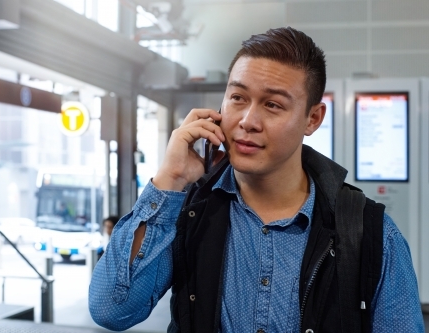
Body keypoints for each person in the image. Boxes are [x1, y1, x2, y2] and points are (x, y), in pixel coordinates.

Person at [89, 27, 424, 332]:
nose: (248, 121)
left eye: (273, 105)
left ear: (312, 118)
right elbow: (112, 309)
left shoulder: (370, 233)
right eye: (238, 97)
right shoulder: (190, 210)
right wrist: (169, 178)